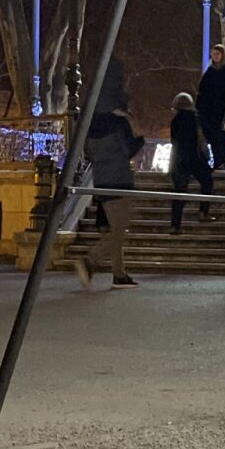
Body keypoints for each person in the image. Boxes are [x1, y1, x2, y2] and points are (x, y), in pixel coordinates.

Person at [76, 57, 142, 289]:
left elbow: (86, 149)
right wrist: (136, 130)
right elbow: (131, 147)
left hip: (101, 176)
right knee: (120, 228)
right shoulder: (119, 118)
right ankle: (90, 260)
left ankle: (119, 273)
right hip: (120, 176)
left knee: (117, 227)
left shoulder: (90, 117)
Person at [166, 91, 211, 233]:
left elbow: (173, 140)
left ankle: (175, 225)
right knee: (207, 182)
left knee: (179, 192)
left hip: (179, 159)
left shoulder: (175, 120)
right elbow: (200, 137)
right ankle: (203, 211)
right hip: (194, 157)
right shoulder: (195, 118)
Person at [196, 45, 225, 171]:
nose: (215, 56)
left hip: (221, 111)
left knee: (220, 137)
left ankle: (221, 161)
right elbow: (202, 92)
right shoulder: (210, 72)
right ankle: (217, 161)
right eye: (213, 54)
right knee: (211, 137)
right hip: (208, 112)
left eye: (217, 54)